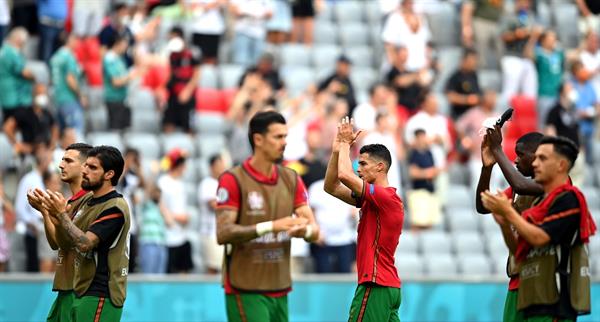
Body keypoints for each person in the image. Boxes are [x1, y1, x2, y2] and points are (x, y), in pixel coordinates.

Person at [216, 110, 319, 322]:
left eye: (286, 136)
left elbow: (315, 232)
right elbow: (223, 233)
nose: (284, 143)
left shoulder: (291, 178)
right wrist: (271, 226)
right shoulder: (233, 179)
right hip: (245, 288)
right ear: (258, 139)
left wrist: (305, 230)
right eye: (278, 137)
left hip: (280, 287)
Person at [481, 136, 596, 321]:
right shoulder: (528, 194)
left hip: (552, 289)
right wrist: (503, 223)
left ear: (560, 166)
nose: (535, 163)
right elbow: (519, 249)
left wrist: (497, 149)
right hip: (523, 281)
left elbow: (539, 239)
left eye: (542, 158)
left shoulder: (568, 197)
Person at [324, 116, 403, 321]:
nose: (358, 169)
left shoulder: (385, 196)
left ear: (380, 167)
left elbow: (343, 175)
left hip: (375, 285)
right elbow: (331, 187)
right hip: (389, 288)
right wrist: (336, 151)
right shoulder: (374, 199)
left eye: (363, 164)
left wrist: (344, 144)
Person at [40, 145, 131, 322]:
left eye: (92, 167)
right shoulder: (90, 202)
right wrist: (48, 213)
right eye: (86, 165)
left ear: (109, 174)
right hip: (81, 289)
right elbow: (64, 242)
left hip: (101, 293)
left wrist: (60, 214)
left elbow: (85, 243)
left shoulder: (115, 206)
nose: (85, 170)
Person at [475, 128, 545, 322]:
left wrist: (497, 149)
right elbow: (482, 205)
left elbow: (520, 184)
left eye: (520, 155)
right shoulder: (518, 189)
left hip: (543, 281)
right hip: (517, 279)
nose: (515, 160)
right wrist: (487, 167)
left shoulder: (554, 184)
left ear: (539, 155)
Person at [27, 143, 93, 322]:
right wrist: (44, 211)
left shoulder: (92, 201)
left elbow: (73, 243)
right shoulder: (70, 202)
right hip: (64, 288)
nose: (61, 165)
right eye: (62, 160)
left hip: (80, 292)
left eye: (68, 160)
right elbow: (56, 243)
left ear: (85, 166)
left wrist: (58, 214)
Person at [158, 149, 193, 274]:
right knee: (170, 275)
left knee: (184, 273)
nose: (185, 168)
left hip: (182, 235)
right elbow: (161, 207)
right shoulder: (163, 182)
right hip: (169, 237)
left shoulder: (181, 183)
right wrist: (177, 218)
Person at [3, 83, 59, 157]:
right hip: (30, 152)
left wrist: (53, 142)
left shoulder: (47, 113)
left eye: (44, 94)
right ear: (33, 95)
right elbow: (7, 127)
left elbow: (55, 127)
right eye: (40, 94)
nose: (42, 97)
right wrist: (17, 143)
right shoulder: (24, 112)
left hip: (45, 151)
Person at [163, 27, 201, 133]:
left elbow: (197, 74)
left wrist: (187, 91)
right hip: (173, 96)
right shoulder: (171, 55)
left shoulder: (192, 54)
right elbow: (169, 74)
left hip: (187, 96)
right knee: (168, 125)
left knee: (189, 128)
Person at [50, 33, 86, 138]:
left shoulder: (56, 56)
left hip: (57, 98)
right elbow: (70, 79)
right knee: (76, 132)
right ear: (69, 41)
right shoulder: (69, 57)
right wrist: (80, 95)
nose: (77, 42)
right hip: (68, 98)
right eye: (75, 39)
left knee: (61, 132)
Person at [198, 154, 226, 274]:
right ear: (212, 167)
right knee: (212, 267)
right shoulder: (207, 184)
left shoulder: (224, 183)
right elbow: (214, 205)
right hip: (210, 233)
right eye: (219, 165)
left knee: (223, 268)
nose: (222, 168)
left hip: (222, 232)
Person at [407, 129, 440, 230]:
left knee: (430, 224)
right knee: (418, 223)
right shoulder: (414, 154)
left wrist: (434, 172)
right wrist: (427, 173)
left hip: (430, 190)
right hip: (418, 191)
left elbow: (434, 170)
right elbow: (412, 173)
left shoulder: (429, 153)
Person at [0, 27, 34, 123]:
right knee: (13, 126)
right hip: (16, 97)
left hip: (6, 94)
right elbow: (24, 72)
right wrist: (34, 77)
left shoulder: (4, 50)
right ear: (19, 40)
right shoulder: (11, 53)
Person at [103, 34, 136, 131]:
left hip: (124, 99)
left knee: (126, 129)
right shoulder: (110, 59)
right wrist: (130, 77)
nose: (126, 46)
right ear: (117, 44)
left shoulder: (119, 59)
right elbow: (116, 82)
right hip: (114, 100)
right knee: (115, 129)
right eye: (124, 44)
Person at [138, 184, 169, 274]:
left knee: (160, 275)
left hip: (161, 244)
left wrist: (162, 208)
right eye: (155, 193)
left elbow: (170, 223)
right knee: (148, 275)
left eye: (159, 194)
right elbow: (146, 191)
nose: (157, 195)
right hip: (148, 244)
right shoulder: (146, 206)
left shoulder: (160, 208)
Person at [445, 48, 481, 120]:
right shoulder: (455, 77)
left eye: (475, 60)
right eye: (471, 60)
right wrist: (467, 100)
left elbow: (478, 93)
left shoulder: (474, 75)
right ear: (463, 60)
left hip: (474, 113)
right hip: (460, 115)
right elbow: (450, 97)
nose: (474, 63)